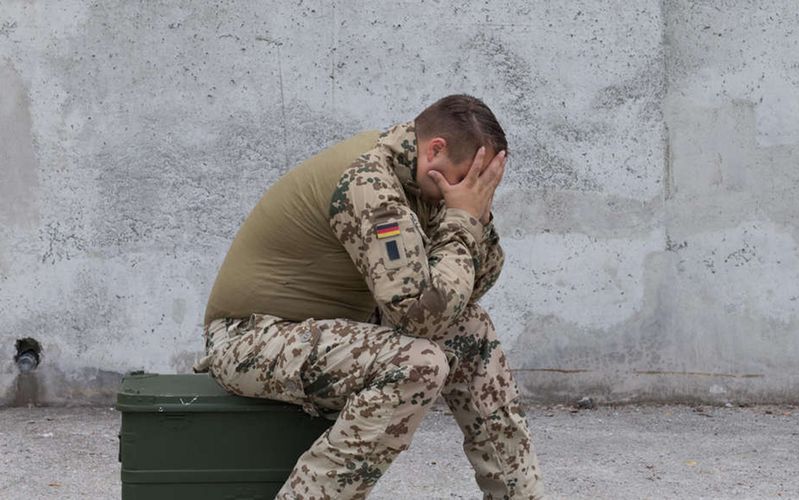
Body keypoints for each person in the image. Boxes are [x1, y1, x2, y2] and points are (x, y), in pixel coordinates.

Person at [193, 94, 543, 499]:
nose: (466, 192)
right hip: (248, 338)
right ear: (436, 149)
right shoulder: (369, 184)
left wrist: (476, 218)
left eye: (479, 186)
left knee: (472, 330)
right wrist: (462, 220)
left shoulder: (422, 181)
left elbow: (467, 291)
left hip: (321, 331)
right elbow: (419, 316)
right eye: (467, 179)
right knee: (418, 364)